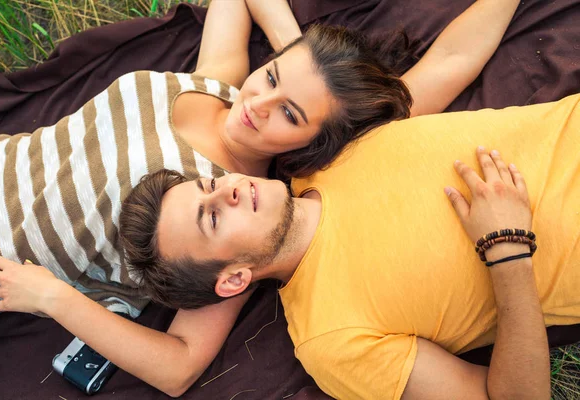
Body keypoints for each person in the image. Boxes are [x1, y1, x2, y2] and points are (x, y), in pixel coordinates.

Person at [0, 0, 521, 396]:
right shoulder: (219, 82)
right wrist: (299, 49)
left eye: (290, 114)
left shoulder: (234, 213)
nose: (259, 104)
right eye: (273, 77)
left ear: (319, 143)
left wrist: (55, 299)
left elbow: (180, 366)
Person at [115, 92, 578, 399]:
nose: (228, 189)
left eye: (210, 183)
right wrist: (507, 249)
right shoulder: (331, 341)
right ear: (234, 278)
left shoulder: (322, 150)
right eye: (213, 217)